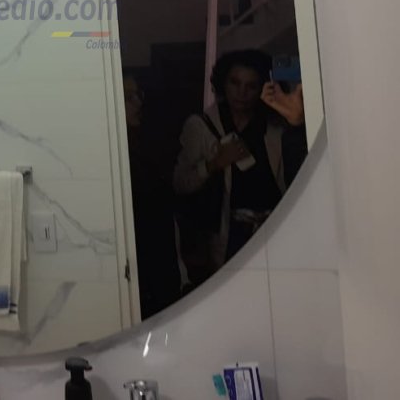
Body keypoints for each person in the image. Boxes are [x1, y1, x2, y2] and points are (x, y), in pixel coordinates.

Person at [173, 50, 306, 285]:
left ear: (262, 87)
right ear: (223, 83)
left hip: (275, 229)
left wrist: (296, 123)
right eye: (235, 83)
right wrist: (214, 164)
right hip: (227, 237)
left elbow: (299, 176)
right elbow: (180, 183)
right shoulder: (201, 126)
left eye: (251, 86)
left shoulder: (274, 125)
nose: (242, 93)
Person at [123, 73, 181, 317]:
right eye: (129, 97)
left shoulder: (148, 142)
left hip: (159, 256)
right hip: (138, 260)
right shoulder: (117, 153)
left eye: (139, 95)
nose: (138, 103)